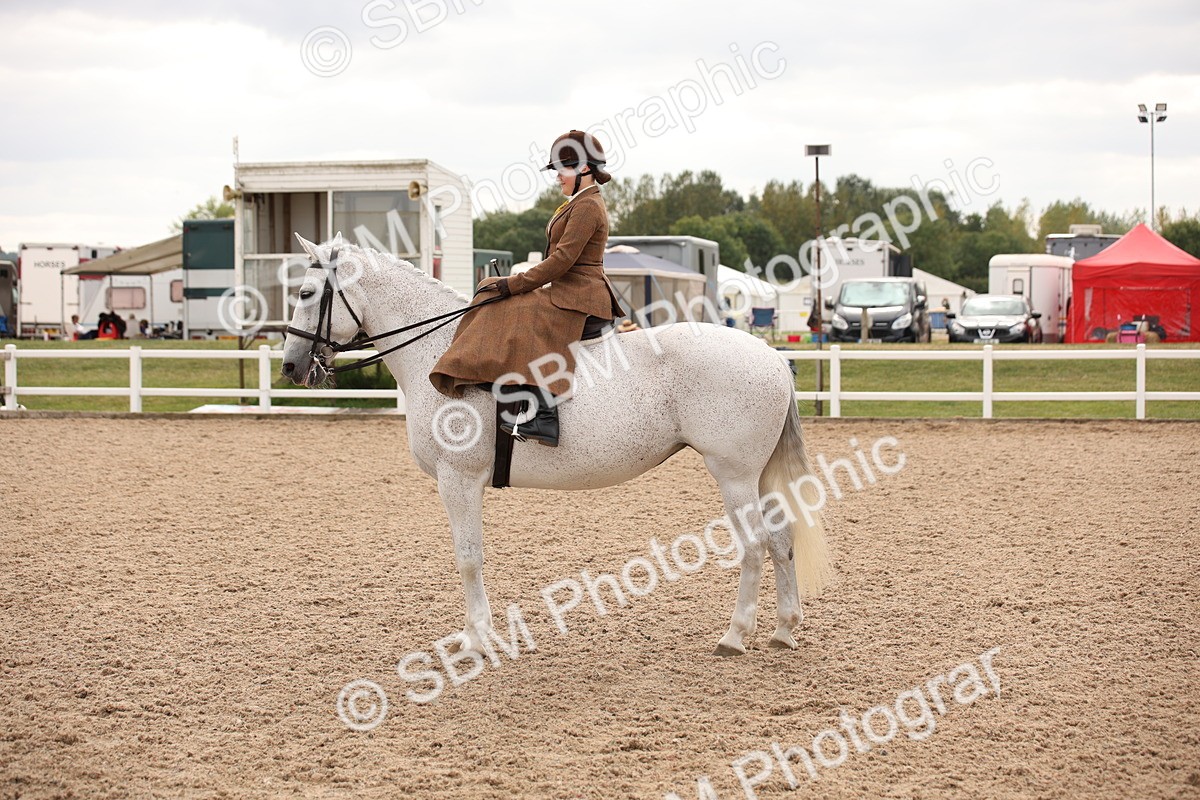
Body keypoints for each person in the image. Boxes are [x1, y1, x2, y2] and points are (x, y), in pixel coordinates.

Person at [429, 130, 625, 447]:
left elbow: (562, 260)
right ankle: (484, 373)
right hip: (568, 288)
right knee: (489, 289)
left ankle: (546, 416)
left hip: (581, 295)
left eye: (562, 169)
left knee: (522, 310)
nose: (557, 176)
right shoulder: (576, 203)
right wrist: (510, 284)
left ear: (584, 168)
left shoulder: (588, 206)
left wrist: (516, 283)